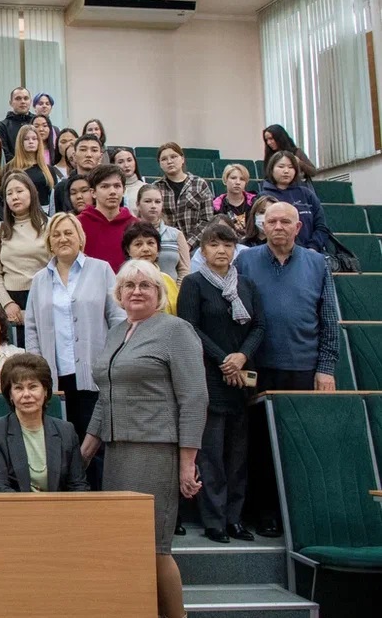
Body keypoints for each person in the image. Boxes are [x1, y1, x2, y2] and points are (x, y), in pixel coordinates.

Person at [80, 260, 207, 618]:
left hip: (155, 451)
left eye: (145, 285)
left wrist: (187, 463)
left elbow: (194, 397)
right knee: (124, 546)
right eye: (129, 285)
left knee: (154, 547)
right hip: (115, 454)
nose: (136, 291)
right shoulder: (116, 332)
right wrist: (85, 452)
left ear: (159, 293)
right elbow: (105, 397)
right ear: (118, 294)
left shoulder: (176, 330)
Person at [177, 223, 264, 543]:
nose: (221, 250)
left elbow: (259, 326)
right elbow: (189, 328)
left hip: (241, 379)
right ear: (202, 251)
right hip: (209, 378)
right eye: (214, 245)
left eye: (227, 245)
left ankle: (234, 519)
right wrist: (223, 360)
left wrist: (241, 357)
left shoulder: (247, 284)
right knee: (211, 455)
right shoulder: (194, 283)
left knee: (238, 456)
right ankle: (214, 520)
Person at [25, 213, 125, 449]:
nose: (63, 239)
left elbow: (118, 318)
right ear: (49, 242)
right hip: (56, 377)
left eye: (69, 233)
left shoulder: (101, 270)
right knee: (63, 446)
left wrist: (110, 359)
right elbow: (31, 327)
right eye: (56, 235)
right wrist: (39, 370)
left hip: (95, 374)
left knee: (96, 445)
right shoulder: (39, 280)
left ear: (80, 238)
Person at [235, 202, 340, 391]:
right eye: (272, 222)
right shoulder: (244, 260)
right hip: (255, 366)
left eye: (285, 221)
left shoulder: (318, 263)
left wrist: (326, 368)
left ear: (297, 227)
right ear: (264, 226)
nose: (278, 227)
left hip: (304, 368)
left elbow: (329, 320)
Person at [0, 354, 90, 493]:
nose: (26, 394)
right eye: (18, 388)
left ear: (45, 391)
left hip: (58, 506)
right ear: (10, 395)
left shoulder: (66, 431)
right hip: (13, 506)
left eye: (33, 387)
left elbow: (78, 485)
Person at [0, 172, 50, 340]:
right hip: (10, 298)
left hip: (43, 296)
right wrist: (7, 303)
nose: (14, 197)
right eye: (9, 193)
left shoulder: (49, 226)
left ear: (31, 193)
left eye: (19, 191)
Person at [259, 151, 329, 252]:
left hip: (310, 252)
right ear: (271, 169)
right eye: (281, 166)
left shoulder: (306, 194)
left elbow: (321, 226)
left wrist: (313, 248)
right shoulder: (263, 197)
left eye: (291, 167)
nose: (286, 171)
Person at [154, 142, 214, 250]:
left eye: (173, 157)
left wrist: (188, 244)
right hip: (165, 245)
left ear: (182, 159)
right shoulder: (155, 188)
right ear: (160, 164)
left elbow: (207, 220)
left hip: (196, 247)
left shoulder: (199, 184)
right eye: (164, 159)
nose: (169, 161)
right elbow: (153, 219)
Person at [78, 164, 137, 272]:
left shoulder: (136, 225)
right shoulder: (78, 224)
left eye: (117, 186)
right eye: (105, 186)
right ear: (93, 192)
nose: (112, 191)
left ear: (124, 190)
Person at [135, 183, 192, 283]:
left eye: (157, 202)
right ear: (138, 204)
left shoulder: (176, 235)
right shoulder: (130, 234)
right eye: (148, 201)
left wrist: (176, 290)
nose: (153, 206)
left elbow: (184, 270)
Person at [122, 221, 180, 316]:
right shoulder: (122, 281)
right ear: (128, 250)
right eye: (138, 244)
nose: (146, 249)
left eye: (150, 243)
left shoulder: (167, 280)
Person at [3, 124, 55, 209]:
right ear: (20, 142)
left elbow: (53, 197)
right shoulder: (10, 167)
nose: (31, 142)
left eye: (34, 139)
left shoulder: (48, 169)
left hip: (44, 212)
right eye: (26, 139)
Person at [50, 134, 102, 214]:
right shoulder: (60, 188)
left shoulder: (108, 185)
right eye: (83, 150)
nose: (88, 155)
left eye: (94, 150)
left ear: (100, 157)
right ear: (74, 155)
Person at [0, 86, 35, 162]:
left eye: (26, 98)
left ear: (30, 101)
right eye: (18, 98)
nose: (23, 101)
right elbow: (3, 153)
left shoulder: (37, 123)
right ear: (11, 103)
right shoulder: (1, 127)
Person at [214, 163, 256, 239]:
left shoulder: (255, 202)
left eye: (242, 179)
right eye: (233, 178)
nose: (238, 182)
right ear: (225, 180)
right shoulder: (216, 206)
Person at [113, 147, 146, 213]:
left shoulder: (145, 188)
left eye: (129, 160)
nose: (126, 165)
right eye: (120, 162)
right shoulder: (110, 189)